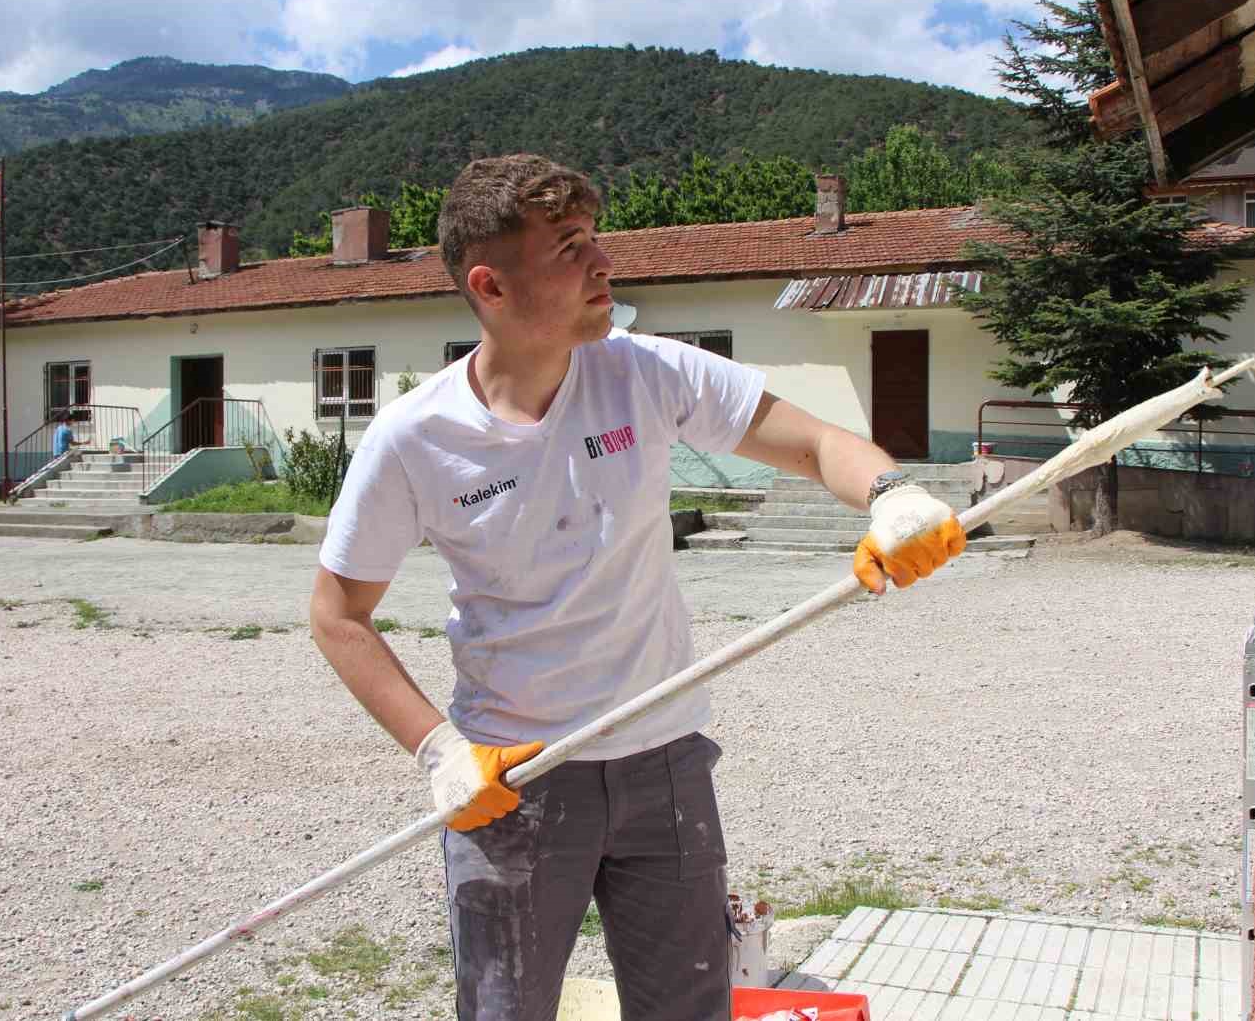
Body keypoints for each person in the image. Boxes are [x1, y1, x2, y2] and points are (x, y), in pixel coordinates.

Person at [309, 155, 966, 1021]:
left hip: (666, 766)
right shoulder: (414, 438)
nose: (602, 265)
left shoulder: (645, 373)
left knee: (687, 1011)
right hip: (515, 778)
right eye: (570, 248)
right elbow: (336, 616)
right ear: (490, 286)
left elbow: (814, 444)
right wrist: (441, 755)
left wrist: (894, 498)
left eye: (596, 240)